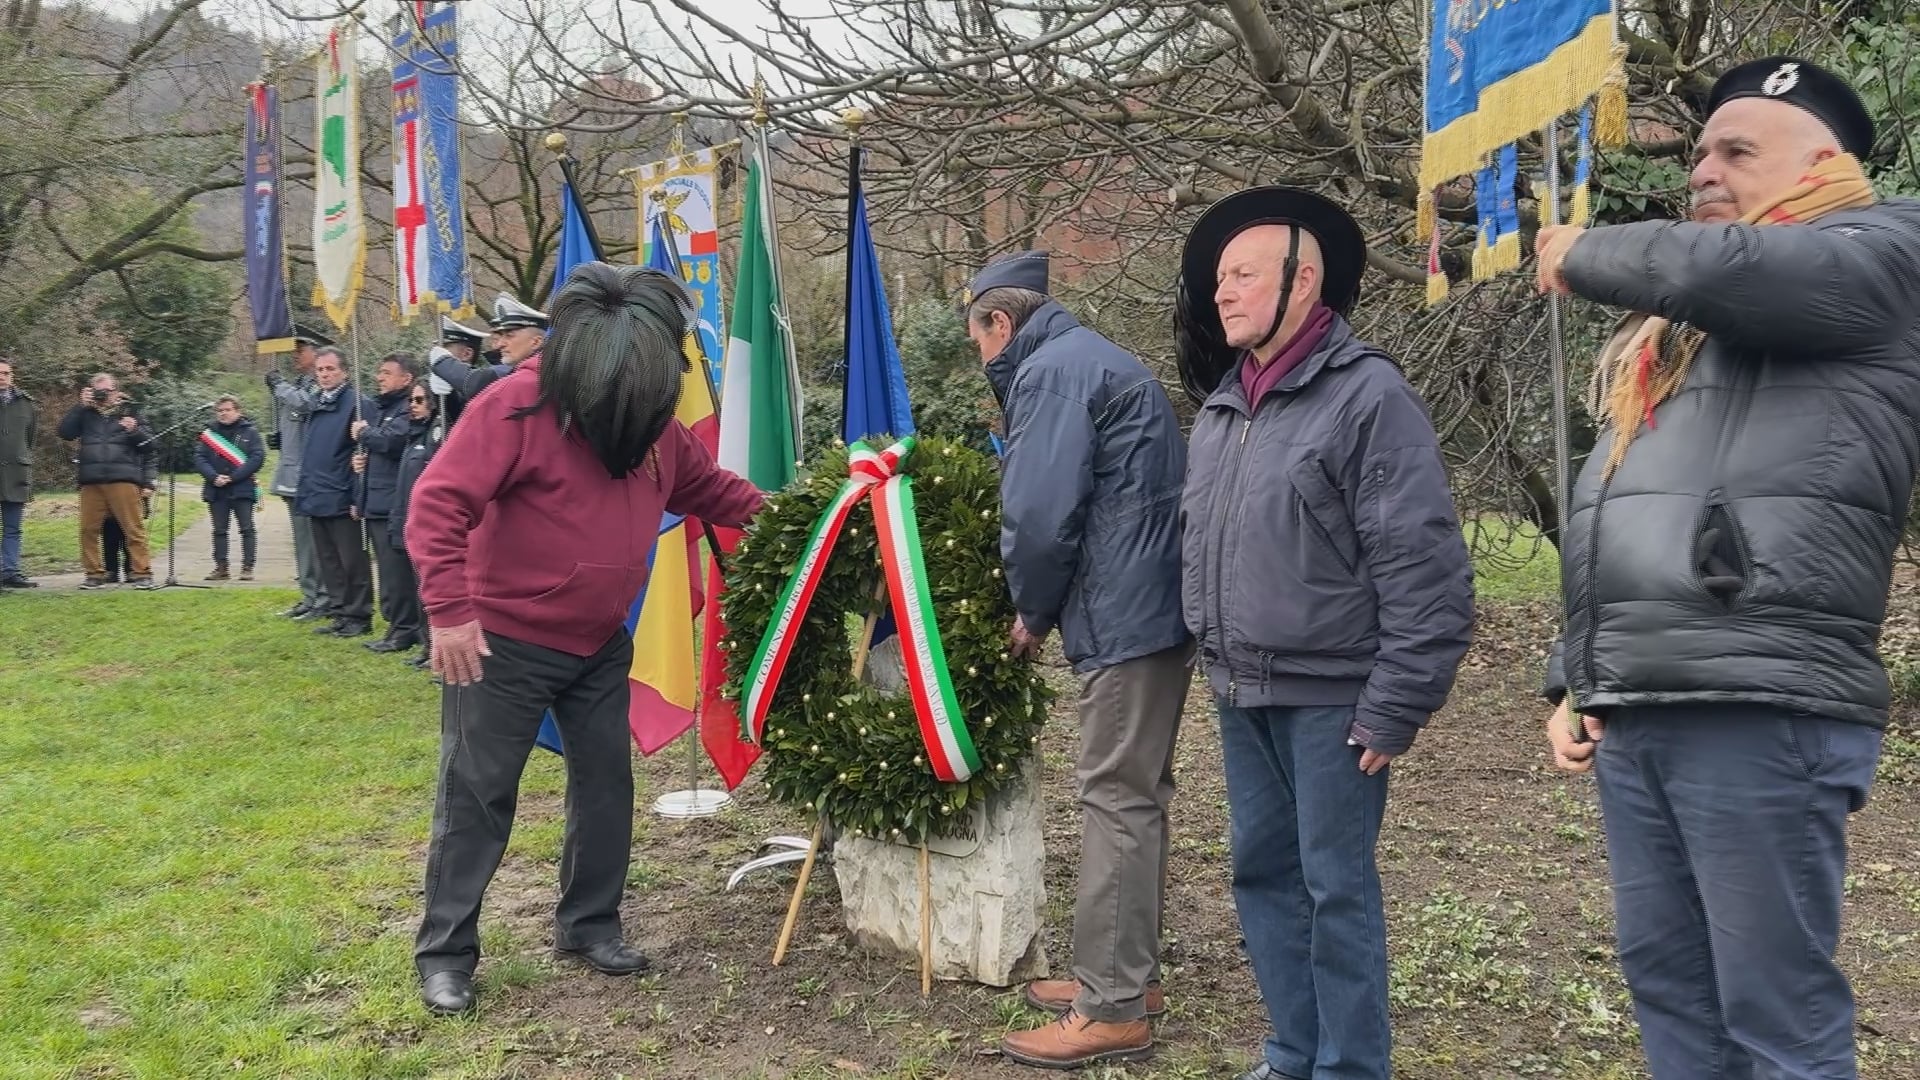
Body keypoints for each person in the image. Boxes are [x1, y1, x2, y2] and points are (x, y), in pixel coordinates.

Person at [1531, 57, 1919, 1080]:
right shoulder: (1686, 323)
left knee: (1774, 1020)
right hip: (1645, 697)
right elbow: (1621, 504)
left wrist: (1588, 249)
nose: (1704, 169)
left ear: (1825, 161)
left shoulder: (1883, 252)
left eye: (1736, 150)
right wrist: (1576, 669)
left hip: (1762, 697)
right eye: (1699, 151)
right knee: (1671, 989)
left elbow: (1737, 269)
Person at [407, 263, 764, 1016]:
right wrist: (449, 611)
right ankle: (445, 954)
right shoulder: (513, 407)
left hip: (599, 643)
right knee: (478, 796)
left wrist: (799, 514)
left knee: (606, 786)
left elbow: (716, 492)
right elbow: (439, 504)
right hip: (499, 644)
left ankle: (588, 923)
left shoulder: (652, 429)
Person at [1174, 187, 1474, 1080]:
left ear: (1304, 282)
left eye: (1242, 274)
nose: (1220, 292)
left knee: (1334, 889)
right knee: (1261, 878)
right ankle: (1292, 1054)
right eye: (1219, 277)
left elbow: (1424, 564)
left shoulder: (1366, 395)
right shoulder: (1226, 407)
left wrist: (1397, 704)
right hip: (1241, 692)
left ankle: (1349, 1068)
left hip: (1334, 701)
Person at [963, 252, 1191, 1070]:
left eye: (976, 338)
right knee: (1134, 795)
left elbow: (1038, 509)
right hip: (1145, 608)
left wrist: (1031, 609)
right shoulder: (1085, 358)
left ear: (1000, 323)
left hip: (1126, 615)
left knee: (1116, 799)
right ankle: (1123, 974)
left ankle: (1114, 1007)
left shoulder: (1051, 374)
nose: (979, 358)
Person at [294, 347, 375, 638]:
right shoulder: (317, 403)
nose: (325, 375)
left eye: (331, 369)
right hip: (316, 492)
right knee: (328, 559)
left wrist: (357, 496)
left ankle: (359, 614)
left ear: (345, 371)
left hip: (342, 493)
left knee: (351, 559)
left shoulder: (358, 404)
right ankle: (340, 611)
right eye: (320, 370)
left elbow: (362, 455)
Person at [57, 373, 157, 590]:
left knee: (133, 528)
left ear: (117, 391)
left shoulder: (131, 410)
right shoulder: (85, 412)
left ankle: (141, 572)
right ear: (91, 391)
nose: (103, 395)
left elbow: (150, 445)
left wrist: (134, 430)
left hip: (123, 478)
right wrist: (80, 406)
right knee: (88, 530)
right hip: (91, 480)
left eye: (107, 390)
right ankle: (94, 574)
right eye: (98, 390)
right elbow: (65, 433)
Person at [353, 353, 422, 653]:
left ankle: (404, 629)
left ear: (406, 379)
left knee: (396, 574)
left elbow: (391, 442)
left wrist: (365, 433)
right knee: (387, 572)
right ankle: (397, 625)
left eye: (386, 373)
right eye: (379, 372)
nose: (379, 378)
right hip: (377, 500)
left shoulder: (407, 408)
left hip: (392, 502)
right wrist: (363, 461)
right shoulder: (385, 408)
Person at [267, 324, 336, 619]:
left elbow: (307, 405)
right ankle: (309, 596)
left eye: (300, 350)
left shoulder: (316, 386)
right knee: (302, 543)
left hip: (309, 477)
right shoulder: (299, 383)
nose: (295, 355)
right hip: (292, 474)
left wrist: (279, 387)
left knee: (314, 543)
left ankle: (323, 597)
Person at [389, 380, 443, 670]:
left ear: (433, 403)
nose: (413, 404)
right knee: (417, 589)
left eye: (420, 400)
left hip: (429, 526)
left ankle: (436, 647)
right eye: (411, 399)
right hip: (408, 520)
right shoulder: (413, 435)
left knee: (430, 588)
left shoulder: (437, 434)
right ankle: (426, 645)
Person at [193, 395, 266, 581]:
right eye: (220, 410)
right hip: (216, 488)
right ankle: (221, 567)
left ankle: (247, 567)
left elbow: (257, 458)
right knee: (219, 530)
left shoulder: (250, 432)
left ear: (238, 411)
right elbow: (200, 458)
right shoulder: (209, 434)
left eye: (227, 410)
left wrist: (233, 477)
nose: (223, 413)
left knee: (247, 528)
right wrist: (213, 477)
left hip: (242, 487)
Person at [428, 296, 542, 409]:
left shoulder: (539, 374)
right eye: (501, 336)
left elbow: (478, 383)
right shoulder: (518, 371)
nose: (500, 344)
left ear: (536, 342)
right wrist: (447, 396)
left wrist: (442, 362)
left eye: (509, 336)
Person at [0, 357, 36, 589]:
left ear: (12, 376)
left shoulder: (27, 403)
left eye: (6, 373)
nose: (1, 378)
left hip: (15, 475)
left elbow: (29, 439)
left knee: (13, 527)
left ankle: (10, 572)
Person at [426, 315, 491, 429]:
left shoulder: (480, 388)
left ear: (467, 354)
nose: (438, 352)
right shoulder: (434, 383)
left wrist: (449, 396)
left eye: (445, 348)